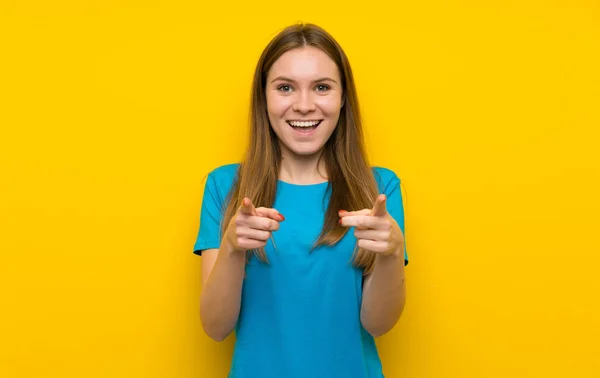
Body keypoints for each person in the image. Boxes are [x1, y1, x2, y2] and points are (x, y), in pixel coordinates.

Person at [193, 22, 409, 378]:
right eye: (285, 88)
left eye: (322, 87)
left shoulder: (379, 187)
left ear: (343, 98)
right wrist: (232, 248)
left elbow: (378, 324)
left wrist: (389, 255)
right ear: (264, 97)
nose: (304, 106)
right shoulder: (225, 186)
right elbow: (216, 328)